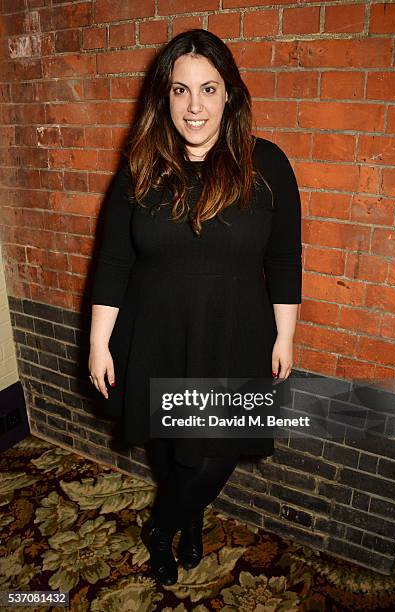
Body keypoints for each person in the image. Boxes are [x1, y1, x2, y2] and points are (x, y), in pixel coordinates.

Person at [88, 29, 302, 586]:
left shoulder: (268, 165)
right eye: (180, 91)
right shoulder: (142, 166)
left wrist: (285, 337)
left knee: (213, 454)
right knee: (170, 445)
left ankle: (165, 522)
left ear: (230, 94)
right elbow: (112, 259)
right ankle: (188, 522)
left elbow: (284, 259)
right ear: (164, 97)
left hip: (236, 333)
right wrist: (98, 341)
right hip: (155, 331)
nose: (194, 106)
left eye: (208, 89)